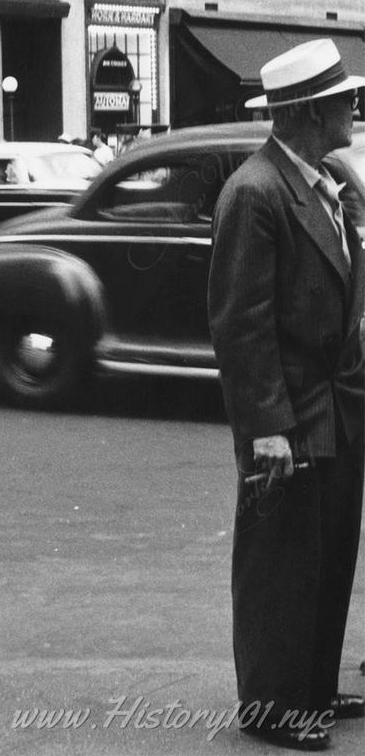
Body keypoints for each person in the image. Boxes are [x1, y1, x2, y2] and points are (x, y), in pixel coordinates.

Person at [207, 38, 365, 752]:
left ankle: (312, 686)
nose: (353, 109)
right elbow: (242, 324)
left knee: (328, 554)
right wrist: (266, 425)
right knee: (281, 563)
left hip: (335, 406)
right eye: (342, 100)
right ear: (306, 111)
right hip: (290, 415)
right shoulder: (256, 191)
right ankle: (274, 705)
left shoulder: (329, 180)